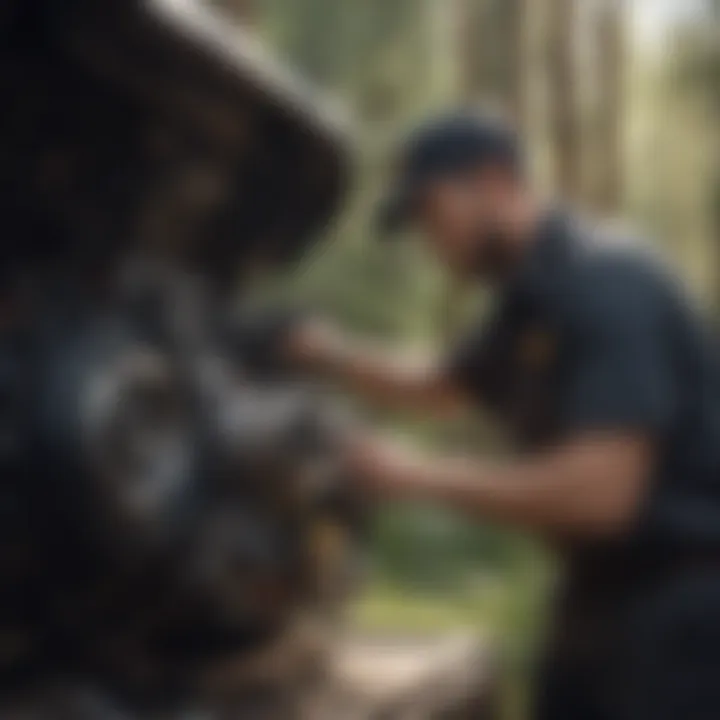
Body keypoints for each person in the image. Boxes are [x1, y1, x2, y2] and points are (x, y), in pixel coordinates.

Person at [279, 110, 720, 720]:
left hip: (686, 608)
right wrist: (325, 353)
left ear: (493, 183)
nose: (429, 241)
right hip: (596, 597)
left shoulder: (607, 282)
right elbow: (438, 386)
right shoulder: (525, 305)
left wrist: (414, 476)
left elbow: (602, 494)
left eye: (431, 212)